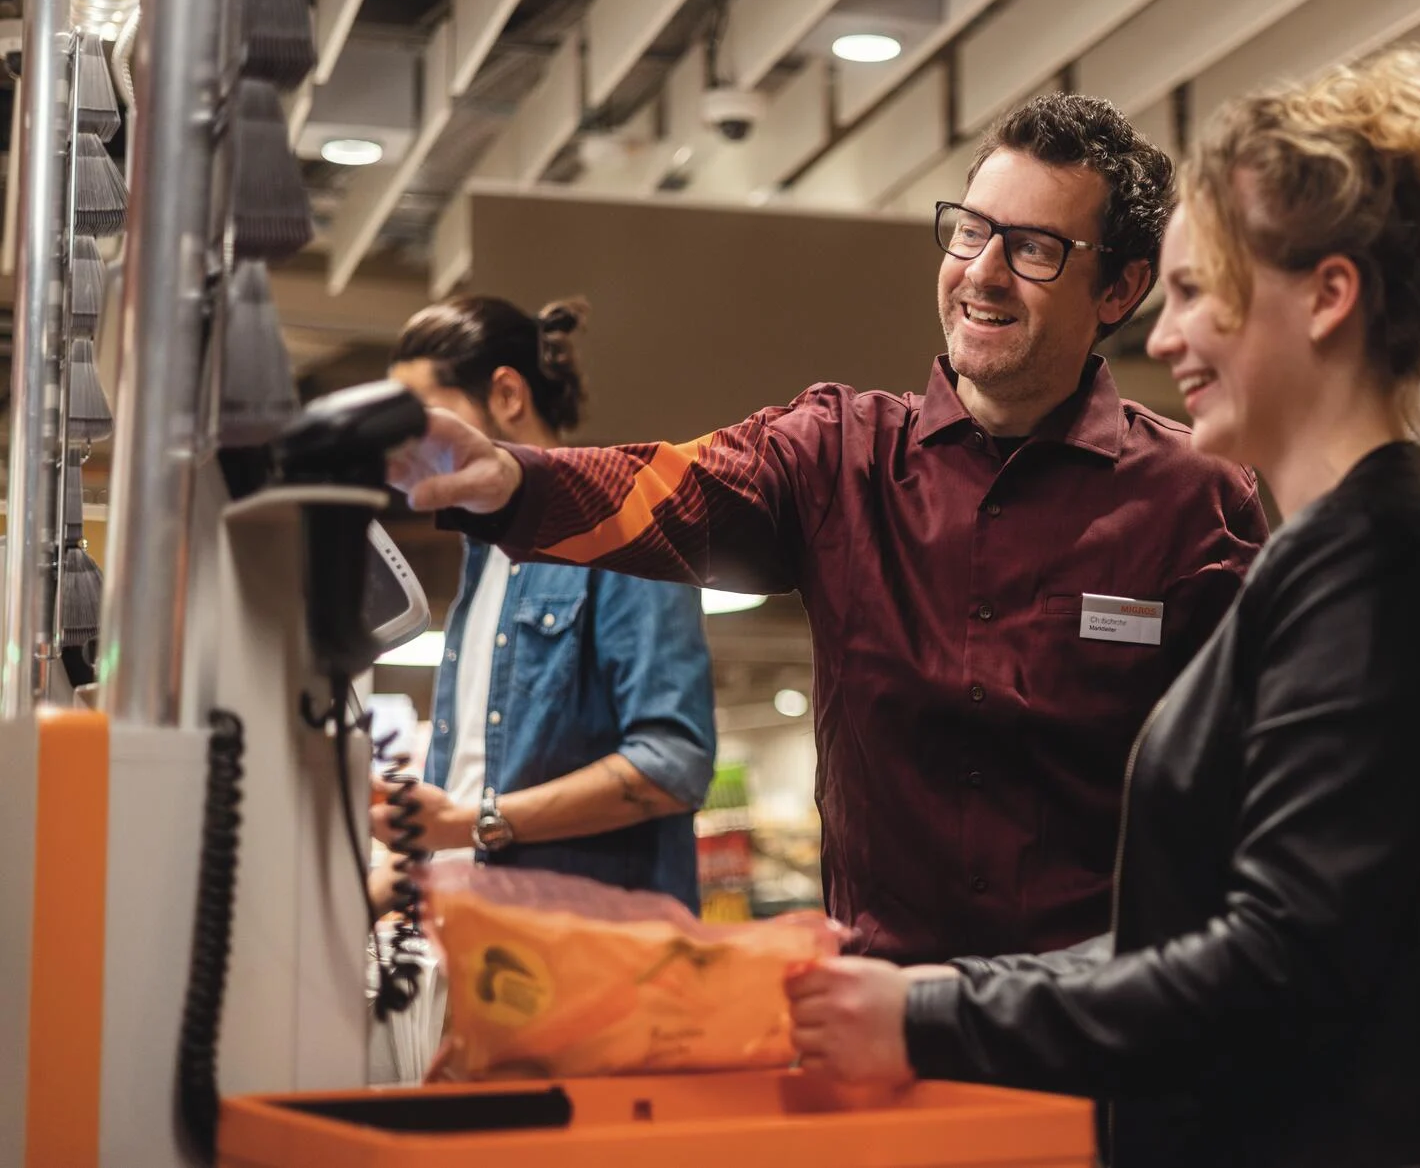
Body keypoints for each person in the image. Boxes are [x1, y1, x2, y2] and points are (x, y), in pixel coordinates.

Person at [780, 48, 1420, 1168]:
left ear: (1328, 297)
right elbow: (1193, 936)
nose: (1162, 339)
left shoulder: (1390, 575)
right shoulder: (1328, 562)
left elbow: (1274, 965)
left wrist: (928, 1017)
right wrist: (936, 992)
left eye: (1196, 293)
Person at [387, 95, 1268, 965]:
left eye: (1033, 247)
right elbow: (668, 487)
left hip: (1102, 1039)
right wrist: (512, 478)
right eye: (970, 231)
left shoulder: (1196, 501)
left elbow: (1252, 785)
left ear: (1118, 288)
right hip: (886, 1030)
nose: (983, 271)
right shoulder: (837, 455)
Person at [373, 295, 717, 912]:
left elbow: (674, 765)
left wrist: (477, 822)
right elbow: (466, 783)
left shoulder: (621, 536)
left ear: (507, 395)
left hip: (597, 969)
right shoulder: (481, 559)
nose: (407, 447)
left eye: (424, 419)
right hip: (492, 953)